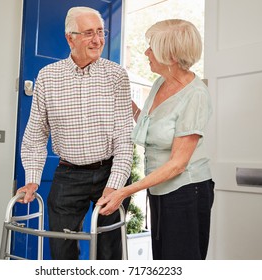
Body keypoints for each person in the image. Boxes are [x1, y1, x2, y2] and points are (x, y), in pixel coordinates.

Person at [17, 6, 133, 260]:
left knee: (109, 252)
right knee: (62, 248)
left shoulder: (116, 76)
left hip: (110, 169)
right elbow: (36, 135)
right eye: (89, 33)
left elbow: (125, 137)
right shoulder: (47, 77)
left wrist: (115, 185)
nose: (98, 40)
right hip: (68, 173)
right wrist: (32, 178)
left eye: (101, 32)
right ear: (70, 38)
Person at [97, 19, 215, 260]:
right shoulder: (161, 82)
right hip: (159, 189)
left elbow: (178, 164)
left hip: (186, 192)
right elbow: (150, 124)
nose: (146, 52)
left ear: (170, 56)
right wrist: (122, 100)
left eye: (152, 47)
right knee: (162, 259)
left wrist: (125, 191)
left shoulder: (195, 95)